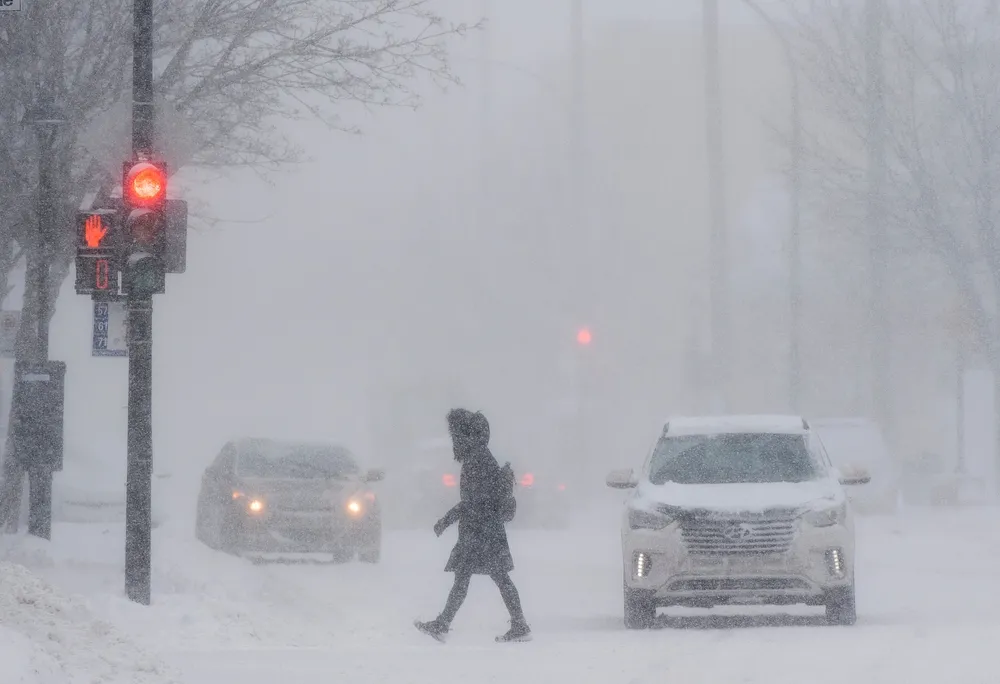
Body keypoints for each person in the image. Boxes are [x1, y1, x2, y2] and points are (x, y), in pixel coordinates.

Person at [414, 408, 531, 643]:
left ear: (464, 435)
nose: (453, 441)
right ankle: (444, 624)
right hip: (483, 529)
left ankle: (518, 625)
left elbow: (472, 502)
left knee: (492, 577)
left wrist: (445, 521)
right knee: (476, 577)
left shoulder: (477, 460)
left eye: (455, 435)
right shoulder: (479, 457)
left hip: (481, 531)